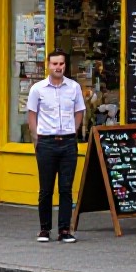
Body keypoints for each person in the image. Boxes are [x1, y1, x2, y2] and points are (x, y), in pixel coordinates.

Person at [27, 50, 85, 243]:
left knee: (66, 189)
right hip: (46, 142)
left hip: (68, 142)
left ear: (65, 66)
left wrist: (73, 131)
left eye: (61, 64)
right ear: (48, 66)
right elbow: (32, 115)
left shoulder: (74, 87)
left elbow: (79, 112)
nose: (58, 67)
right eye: (54, 64)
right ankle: (44, 229)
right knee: (46, 189)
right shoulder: (38, 89)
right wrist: (37, 139)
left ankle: (64, 230)